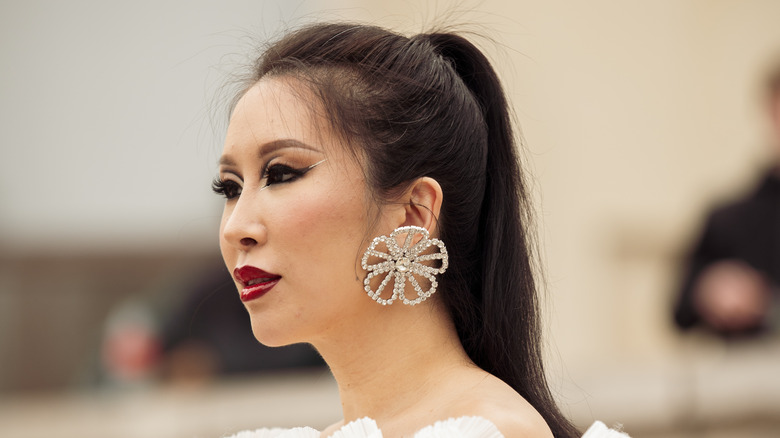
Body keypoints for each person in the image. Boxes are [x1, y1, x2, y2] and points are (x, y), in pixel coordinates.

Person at [213, 23, 628, 438]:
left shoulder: (488, 431)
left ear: (414, 213)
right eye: (229, 188)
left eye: (281, 174)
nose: (235, 228)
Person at [674, 57, 780, 337]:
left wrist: (767, 302)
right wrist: (708, 290)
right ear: (770, 113)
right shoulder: (729, 219)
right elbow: (679, 310)